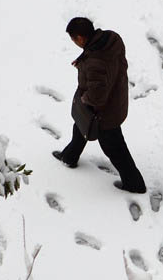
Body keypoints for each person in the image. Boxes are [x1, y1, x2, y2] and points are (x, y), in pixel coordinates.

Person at [52, 17, 147, 194]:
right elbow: (104, 63)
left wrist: (84, 98)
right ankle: (69, 157)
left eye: (73, 39)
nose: (74, 42)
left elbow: (96, 97)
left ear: (80, 38)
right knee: (80, 125)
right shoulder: (111, 39)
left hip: (105, 113)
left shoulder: (96, 63)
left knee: (115, 149)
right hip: (115, 100)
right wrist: (83, 60)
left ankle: (135, 184)